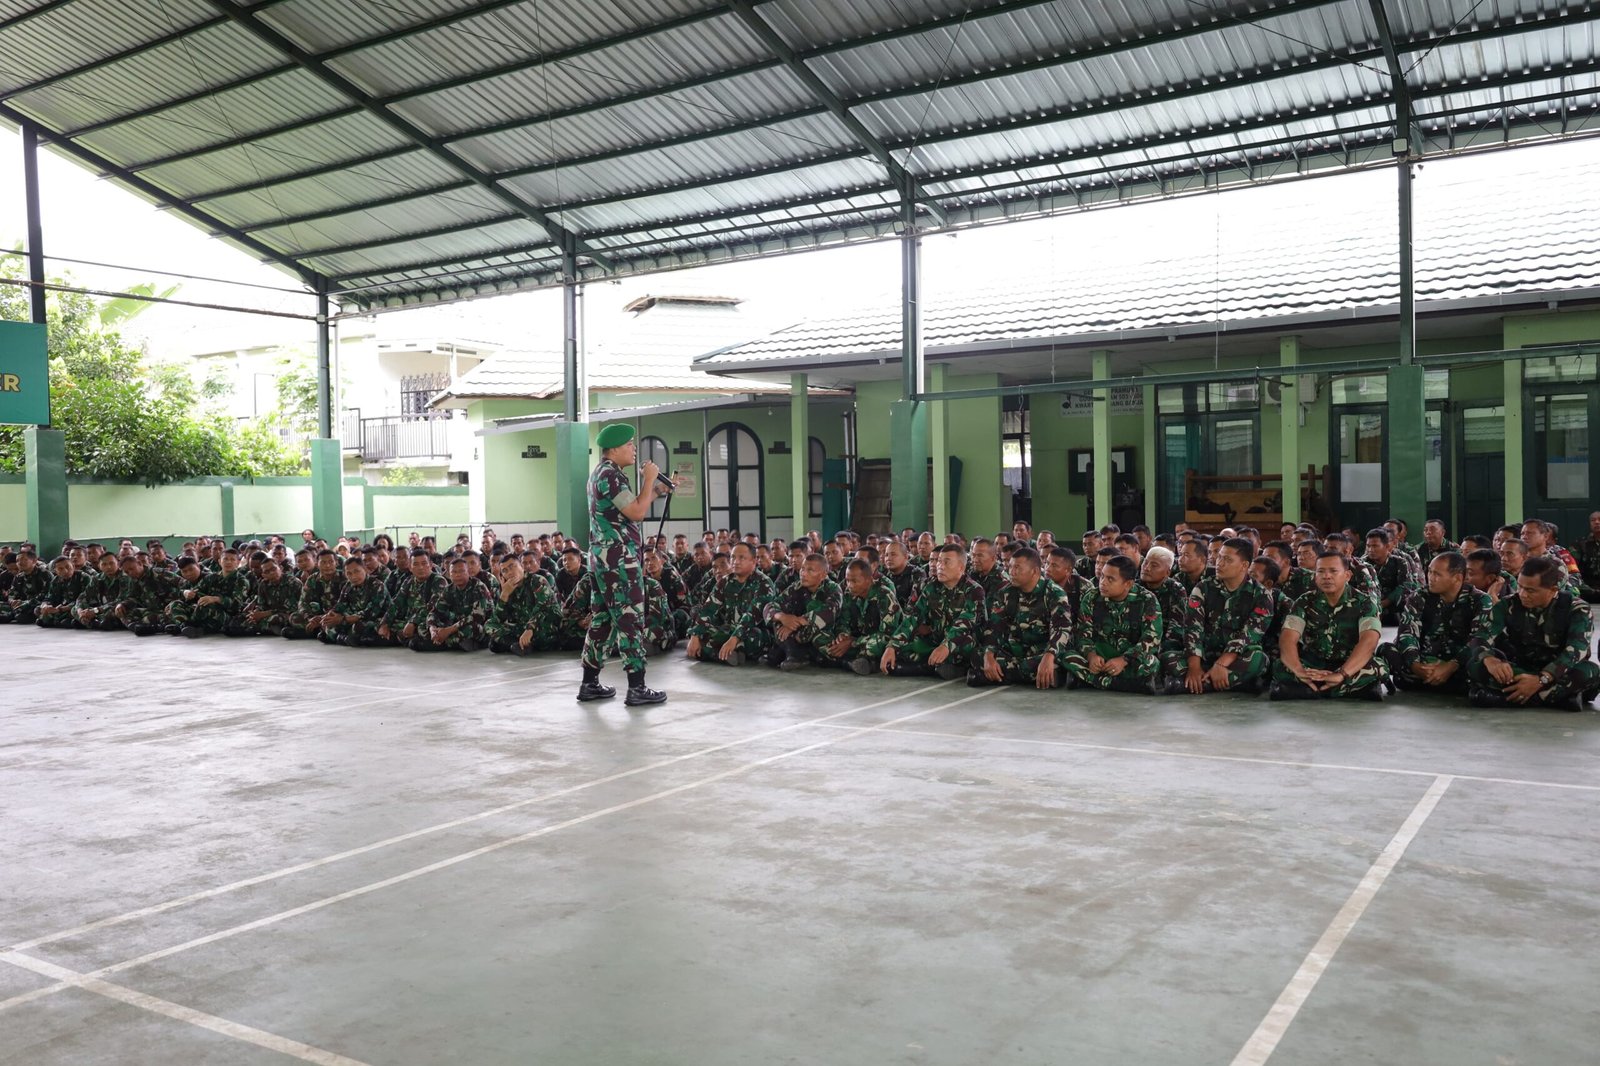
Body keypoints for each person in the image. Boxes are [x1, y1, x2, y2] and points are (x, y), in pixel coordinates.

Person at [576, 423, 670, 704]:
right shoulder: (612, 476)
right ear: (614, 449)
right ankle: (637, 687)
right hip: (619, 562)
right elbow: (637, 513)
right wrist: (649, 479)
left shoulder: (602, 473)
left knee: (603, 620)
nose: (633, 449)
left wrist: (656, 490)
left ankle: (589, 683)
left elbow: (629, 507)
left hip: (603, 560)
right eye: (629, 445)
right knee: (630, 620)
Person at [1468, 555, 1600, 710]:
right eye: (1520, 587)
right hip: (1522, 668)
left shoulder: (1577, 609)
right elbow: (1480, 637)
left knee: (1589, 671)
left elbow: (1576, 651)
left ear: (1553, 590)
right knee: (1475, 665)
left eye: (1530, 590)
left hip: (1558, 672)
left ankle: (1508, 698)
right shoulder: (1509, 603)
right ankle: (1558, 698)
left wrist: (1541, 680)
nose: (1522, 594)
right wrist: (1490, 660)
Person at [1270, 551, 1386, 701]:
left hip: (1350, 663)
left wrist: (1341, 674)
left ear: (1347, 575)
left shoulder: (1365, 603)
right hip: (1313, 663)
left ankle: (1308, 690)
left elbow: (1369, 641)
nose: (1326, 576)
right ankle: (1348, 690)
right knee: (1280, 665)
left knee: (1378, 667)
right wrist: (1299, 671)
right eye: (1321, 571)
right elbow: (1288, 638)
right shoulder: (1304, 601)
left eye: (1333, 571)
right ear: (1315, 576)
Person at [1170, 537, 1274, 694]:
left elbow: (1248, 636)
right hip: (1205, 655)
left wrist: (1221, 664)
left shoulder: (1261, 595)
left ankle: (1200, 685)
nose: (1219, 563)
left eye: (1227, 559)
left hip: (1235, 657)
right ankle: (1231, 682)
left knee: (1258, 660)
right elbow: (1193, 628)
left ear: (1244, 565)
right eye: (1219, 557)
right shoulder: (1203, 587)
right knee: (1168, 658)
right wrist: (1194, 667)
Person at [1381, 552, 1490, 694]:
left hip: (1457, 664)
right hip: (1424, 661)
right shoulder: (1420, 596)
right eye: (1430, 572)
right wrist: (1415, 665)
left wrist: (1451, 666)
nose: (1431, 578)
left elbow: (1478, 639)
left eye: (1437, 574)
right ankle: (1428, 679)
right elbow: (1407, 632)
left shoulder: (1479, 600)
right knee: (1385, 650)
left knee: (1483, 661)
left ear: (1457, 578)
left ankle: (1417, 681)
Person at [970, 546, 1072, 689]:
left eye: (1017, 568)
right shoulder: (1005, 592)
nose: (1011, 572)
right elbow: (995, 627)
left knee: (1062, 658)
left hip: (1042, 651)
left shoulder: (1054, 593)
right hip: (1015, 650)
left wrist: (1049, 655)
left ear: (1035, 571)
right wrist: (988, 655)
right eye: (1010, 567)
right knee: (977, 654)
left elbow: (1061, 629)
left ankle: (996, 675)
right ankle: (1034, 676)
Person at [1061, 555, 1162, 693]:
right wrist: (1091, 656)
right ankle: (1128, 685)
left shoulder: (1146, 599)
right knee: (1067, 656)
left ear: (1128, 584)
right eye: (1102, 576)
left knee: (1151, 663)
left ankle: (1089, 680)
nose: (1103, 583)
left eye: (1110, 579)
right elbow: (1083, 633)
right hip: (1101, 655)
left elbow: (1151, 638)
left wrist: (1124, 660)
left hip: (1129, 657)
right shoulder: (1092, 597)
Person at [685, 542, 775, 667]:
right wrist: (695, 635)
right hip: (728, 629)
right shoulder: (725, 581)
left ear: (754, 561)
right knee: (702, 634)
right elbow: (708, 609)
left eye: (741, 558)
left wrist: (734, 639)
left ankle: (718, 652)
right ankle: (731, 653)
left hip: (752, 631)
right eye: (733, 557)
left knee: (754, 636)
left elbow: (751, 617)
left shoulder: (764, 583)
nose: (735, 562)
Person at [763, 554, 842, 670]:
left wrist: (797, 622)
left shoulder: (833, 588)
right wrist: (782, 617)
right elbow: (771, 606)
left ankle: (788, 653)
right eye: (803, 569)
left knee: (816, 629)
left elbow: (829, 612)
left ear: (823, 574)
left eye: (810, 570)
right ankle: (793, 655)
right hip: (797, 633)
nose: (803, 574)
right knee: (778, 620)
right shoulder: (797, 586)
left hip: (823, 632)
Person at [484, 557, 565, 655]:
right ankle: (516, 645)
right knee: (489, 625)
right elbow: (497, 619)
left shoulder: (537, 580)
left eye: (512, 567)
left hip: (544, 624)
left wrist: (530, 628)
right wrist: (504, 595)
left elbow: (542, 608)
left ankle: (520, 645)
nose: (509, 572)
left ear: (522, 566)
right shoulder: (507, 587)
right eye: (505, 571)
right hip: (523, 626)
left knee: (543, 633)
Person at [318, 557, 390, 647]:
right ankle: (346, 638)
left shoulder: (377, 585)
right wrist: (329, 617)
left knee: (359, 626)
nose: (353, 576)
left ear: (365, 569)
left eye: (357, 571)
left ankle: (342, 638)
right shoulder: (348, 586)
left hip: (376, 620)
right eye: (349, 573)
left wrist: (343, 619)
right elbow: (340, 605)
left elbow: (371, 613)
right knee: (328, 627)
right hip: (352, 618)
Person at [229, 558, 303, 637]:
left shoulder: (293, 583)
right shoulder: (263, 584)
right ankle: (258, 627)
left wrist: (264, 614)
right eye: (267, 572)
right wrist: (255, 614)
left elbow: (292, 608)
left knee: (276, 619)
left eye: (273, 569)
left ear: (280, 568)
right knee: (242, 617)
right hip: (267, 615)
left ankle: (255, 628)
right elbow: (261, 605)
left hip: (287, 614)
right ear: (263, 575)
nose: (271, 573)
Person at [1363, 527, 1419, 625]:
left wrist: (1385, 602)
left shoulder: (1400, 562)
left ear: (1387, 546)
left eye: (1375, 546)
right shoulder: (1362, 563)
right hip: (1369, 609)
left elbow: (1405, 586)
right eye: (1368, 546)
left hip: (1394, 609)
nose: (1370, 550)